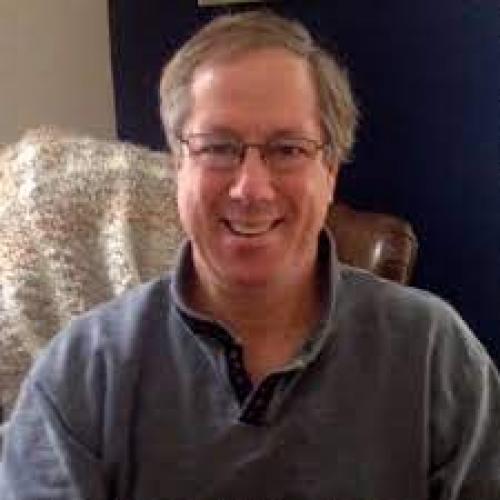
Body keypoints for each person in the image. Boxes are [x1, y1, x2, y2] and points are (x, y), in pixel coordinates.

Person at [1, 10, 499, 500]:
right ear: (178, 166)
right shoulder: (82, 374)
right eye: (218, 147)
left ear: (330, 171)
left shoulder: (434, 354)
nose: (251, 188)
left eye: (288, 149)